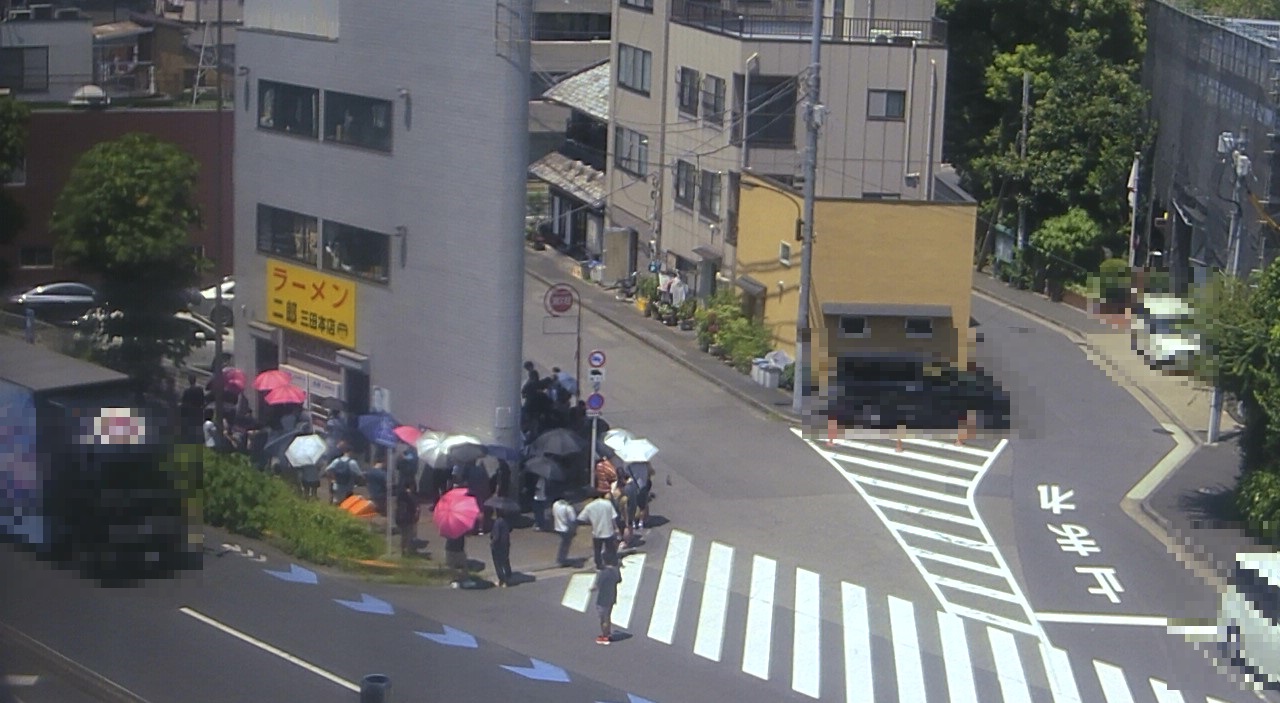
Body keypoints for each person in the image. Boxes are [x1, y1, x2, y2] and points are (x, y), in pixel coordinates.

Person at [577, 491, 619, 570]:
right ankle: (612, 562)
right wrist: (616, 528)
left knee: (597, 550)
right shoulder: (607, 504)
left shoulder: (589, 507)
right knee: (611, 548)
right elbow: (613, 517)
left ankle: (599, 564)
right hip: (608, 530)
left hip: (597, 532)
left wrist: (591, 521)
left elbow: (580, 518)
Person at [590, 555, 622, 645]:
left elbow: (597, 586)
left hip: (603, 598)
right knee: (608, 616)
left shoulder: (603, 572)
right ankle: (608, 634)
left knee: (603, 618)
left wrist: (591, 589)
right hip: (612, 596)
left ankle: (605, 636)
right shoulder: (615, 570)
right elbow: (619, 580)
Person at [394, 480, 420, 555]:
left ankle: (402, 551)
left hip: (400, 517)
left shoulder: (400, 495)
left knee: (403, 535)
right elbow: (415, 507)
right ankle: (409, 551)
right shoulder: (412, 495)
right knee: (409, 535)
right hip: (409, 517)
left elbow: (398, 505)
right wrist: (416, 513)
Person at [552, 496, 578, 567]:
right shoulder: (568, 508)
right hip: (566, 529)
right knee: (565, 545)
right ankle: (561, 560)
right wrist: (574, 530)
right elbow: (573, 520)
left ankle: (561, 559)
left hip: (558, 527)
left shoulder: (556, 504)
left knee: (562, 544)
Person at [489, 511, 513, 588]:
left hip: (498, 546)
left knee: (497, 563)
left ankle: (502, 580)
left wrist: (492, 543)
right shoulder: (506, 521)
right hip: (506, 544)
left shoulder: (497, 522)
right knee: (505, 560)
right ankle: (508, 577)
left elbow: (496, 536)